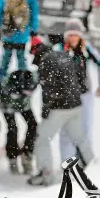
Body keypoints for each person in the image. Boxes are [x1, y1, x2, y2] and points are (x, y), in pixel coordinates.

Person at [26, 36, 95, 186]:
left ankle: (46, 175)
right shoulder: (63, 56)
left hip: (58, 108)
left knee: (43, 139)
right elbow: (79, 77)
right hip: (75, 106)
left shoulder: (46, 62)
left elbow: (49, 89)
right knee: (79, 139)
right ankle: (94, 167)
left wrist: (46, 111)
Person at [53, 18, 100, 165]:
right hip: (66, 96)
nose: (73, 38)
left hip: (85, 94)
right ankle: (69, 162)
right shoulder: (59, 49)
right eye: (70, 35)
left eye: (75, 35)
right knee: (67, 131)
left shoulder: (86, 49)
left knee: (85, 128)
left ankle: (85, 159)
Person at [0, 69, 38, 174]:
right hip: (7, 102)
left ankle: (27, 155)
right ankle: (12, 157)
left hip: (23, 102)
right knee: (13, 128)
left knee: (33, 125)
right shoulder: (6, 87)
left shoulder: (33, 79)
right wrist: (8, 92)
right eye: (27, 91)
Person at [0, 0, 39, 84]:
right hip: (22, 33)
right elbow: (34, 12)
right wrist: (34, 29)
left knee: (5, 58)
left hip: (8, 32)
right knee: (21, 58)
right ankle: (23, 81)